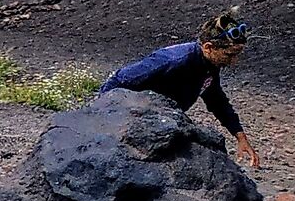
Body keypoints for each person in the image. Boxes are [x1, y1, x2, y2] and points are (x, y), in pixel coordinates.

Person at [99, 11, 260, 168]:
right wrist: (103, 117)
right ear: (209, 47)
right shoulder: (173, 60)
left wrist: (240, 137)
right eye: (229, 55)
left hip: (163, 119)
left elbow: (216, 100)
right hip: (134, 119)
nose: (234, 62)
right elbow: (121, 79)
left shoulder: (209, 65)